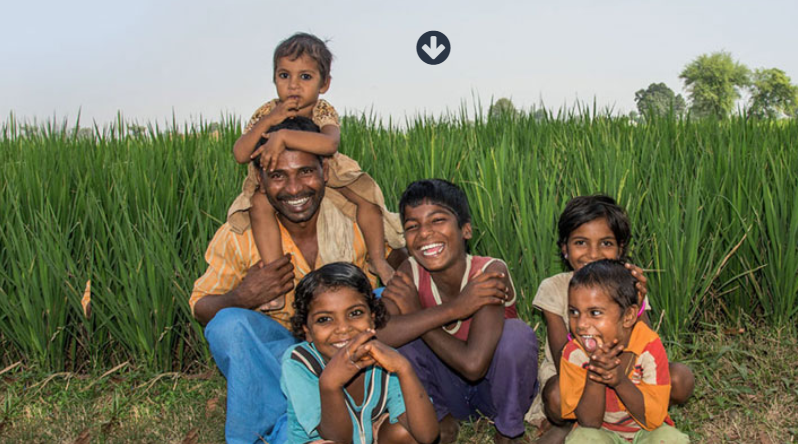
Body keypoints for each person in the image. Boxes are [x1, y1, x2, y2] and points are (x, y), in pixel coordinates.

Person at [190, 116, 403, 444]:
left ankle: (370, 410)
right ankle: (270, 427)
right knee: (227, 324)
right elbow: (201, 305)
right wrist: (242, 297)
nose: (294, 188)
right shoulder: (240, 235)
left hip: (342, 352)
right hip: (275, 359)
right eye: (278, 175)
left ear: (325, 172)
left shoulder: (353, 220)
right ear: (260, 180)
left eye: (305, 171)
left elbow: (396, 261)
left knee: (385, 297)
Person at [229, 32, 402, 312]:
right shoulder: (267, 111)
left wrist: (283, 136)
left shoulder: (323, 110)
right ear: (274, 79)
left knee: (367, 200)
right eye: (284, 76)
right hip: (275, 172)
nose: (293, 85)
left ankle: (378, 259)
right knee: (259, 204)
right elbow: (240, 154)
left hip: (326, 167)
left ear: (325, 84)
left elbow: (329, 143)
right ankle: (275, 279)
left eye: (305, 77)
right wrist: (270, 122)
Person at [377, 179, 539, 444]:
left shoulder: (489, 273)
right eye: (412, 226)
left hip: (492, 392)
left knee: (517, 336)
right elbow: (379, 335)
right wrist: (454, 309)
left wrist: (420, 315)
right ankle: (440, 420)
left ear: (466, 230)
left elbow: (474, 366)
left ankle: (508, 430)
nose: (425, 233)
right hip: (445, 391)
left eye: (437, 220)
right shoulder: (410, 272)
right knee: (402, 340)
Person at [530, 195, 694, 443]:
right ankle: (574, 424)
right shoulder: (554, 287)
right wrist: (603, 367)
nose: (593, 253)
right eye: (581, 243)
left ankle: (635, 414)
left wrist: (637, 302)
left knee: (679, 377)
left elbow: (646, 343)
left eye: (605, 243)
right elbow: (565, 353)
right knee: (556, 395)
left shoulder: (626, 285)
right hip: (575, 369)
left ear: (620, 249)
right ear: (564, 248)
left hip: (627, 365)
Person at [281, 262, 439, 444]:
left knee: (404, 433)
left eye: (355, 313)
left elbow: (427, 436)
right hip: (326, 439)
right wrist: (330, 383)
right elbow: (338, 439)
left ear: (372, 319)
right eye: (324, 319)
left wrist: (404, 369)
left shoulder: (384, 360)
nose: (343, 329)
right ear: (307, 330)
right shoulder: (299, 362)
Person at [558, 259, 689, 443]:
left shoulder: (648, 346)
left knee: (671, 438)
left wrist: (620, 381)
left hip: (645, 431)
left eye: (594, 313)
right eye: (574, 312)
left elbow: (652, 420)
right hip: (601, 432)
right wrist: (595, 375)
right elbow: (589, 422)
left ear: (628, 316)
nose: (581, 325)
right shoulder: (574, 353)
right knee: (581, 438)